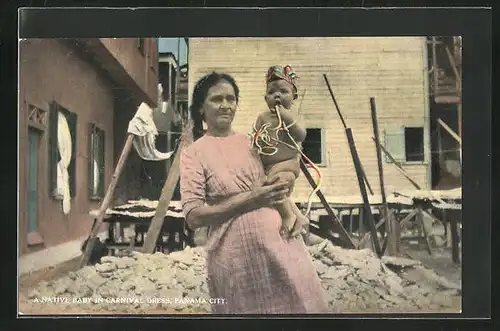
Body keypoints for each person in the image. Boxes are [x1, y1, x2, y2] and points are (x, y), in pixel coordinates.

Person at [179, 72, 329, 314]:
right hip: (238, 262)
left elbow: (279, 174)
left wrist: (290, 197)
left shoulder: (252, 143)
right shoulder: (193, 153)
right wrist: (252, 198)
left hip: (284, 249)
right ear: (200, 109)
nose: (226, 105)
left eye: (231, 98)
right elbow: (194, 216)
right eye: (217, 99)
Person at [251, 65, 309, 239]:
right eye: (271, 92)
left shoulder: (294, 115)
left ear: (294, 97)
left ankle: (288, 216)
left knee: (276, 187)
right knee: (270, 192)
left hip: (287, 166)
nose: (277, 95)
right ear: (265, 97)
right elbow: (255, 140)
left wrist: (286, 118)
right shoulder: (263, 117)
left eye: (283, 92)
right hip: (267, 166)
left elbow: (301, 135)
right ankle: (298, 217)